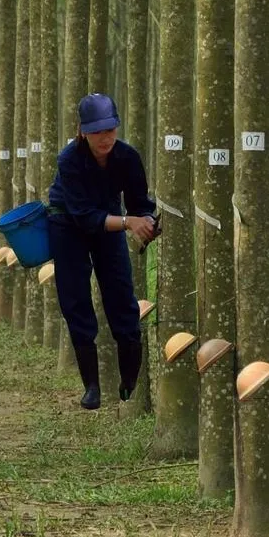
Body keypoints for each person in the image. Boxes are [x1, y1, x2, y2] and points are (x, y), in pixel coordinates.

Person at [47, 93, 157, 410]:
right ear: (82, 131)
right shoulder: (69, 159)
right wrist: (127, 222)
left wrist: (147, 223)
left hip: (109, 220)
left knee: (121, 291)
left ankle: (129, 381)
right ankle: (91, 387)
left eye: (110, 129)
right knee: (75, 298)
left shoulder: (127, 158)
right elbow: (83, 216)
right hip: (69, 224)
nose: (105, 137)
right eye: (97, 131)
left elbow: (140, 205)